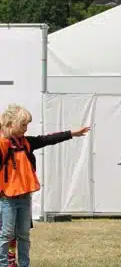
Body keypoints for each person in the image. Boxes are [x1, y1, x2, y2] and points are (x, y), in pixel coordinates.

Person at [0, 104, 90, 267]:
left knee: (24, 235)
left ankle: (24, 264)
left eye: (27, 125)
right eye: (23, 125)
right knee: (6, 235)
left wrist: (71, 133)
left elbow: (47, 139)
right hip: (7, 199)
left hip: (25, 197)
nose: (26, 129)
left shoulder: (26, 143)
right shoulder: (2, 144)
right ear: (11, 124)